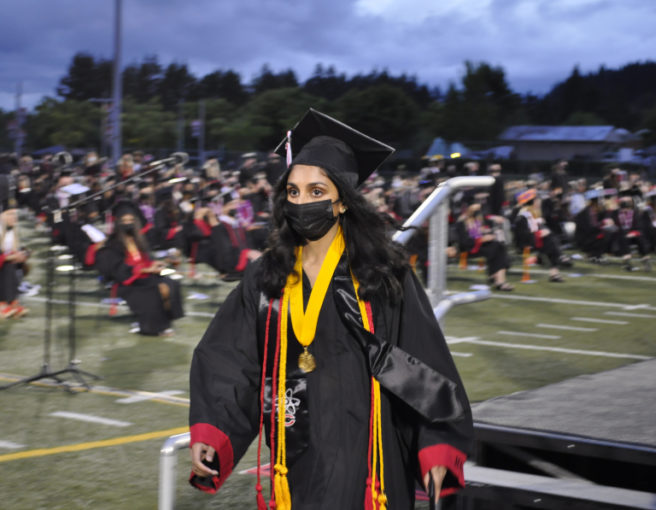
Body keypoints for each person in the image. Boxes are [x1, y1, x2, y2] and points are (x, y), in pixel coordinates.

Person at [189, 109, 472, 510]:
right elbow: (230, 356)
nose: (303, 201)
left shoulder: (381, 274)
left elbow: (422, 360)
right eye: (294, 192)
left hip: (369, 452)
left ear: (342, 201)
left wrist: (436, 445)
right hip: (296, 450)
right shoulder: (268, 275)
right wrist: (212, 431)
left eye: (317, 192)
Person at [94, 200, 184, 336]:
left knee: (171, 284)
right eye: (124, 220)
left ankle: (164, 321)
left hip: (145, 276)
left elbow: (145, 260)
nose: (128, 223)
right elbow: (117, 270)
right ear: (118, 222)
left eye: (131, 219)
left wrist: (155, 264)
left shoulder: (138, 239)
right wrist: (143, 269)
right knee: (158, 290)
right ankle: (152, 327)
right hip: (128, 281)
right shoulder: (112, 244)